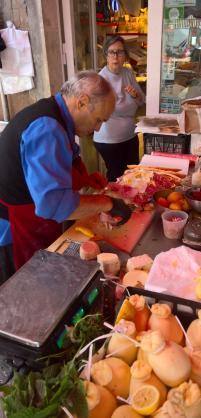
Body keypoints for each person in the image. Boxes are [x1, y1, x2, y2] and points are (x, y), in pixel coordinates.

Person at [0, 70, 116, 280]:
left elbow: (59, 164)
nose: (97, 128)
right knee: (31, 283)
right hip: (17, 225)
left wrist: (86, 179)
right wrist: (106, 203)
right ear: (82, 102)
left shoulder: (56, 113)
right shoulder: (47, 128)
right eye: (98, 119)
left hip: (33, 216)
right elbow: (52, 205)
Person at [93, 35, 145, 182]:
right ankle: (114, 205)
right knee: (117, 179)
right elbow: (102, 113)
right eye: (112, 52)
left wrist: (135, 97)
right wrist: (128, 105)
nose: (116, 56)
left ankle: (130, 205)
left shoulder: (128, 73)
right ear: (106, 55)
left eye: (120, 52)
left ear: (125, 56)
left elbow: (142, 101)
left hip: (130, 135)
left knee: (134, 176)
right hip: (109, 140)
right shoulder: (100, 80)